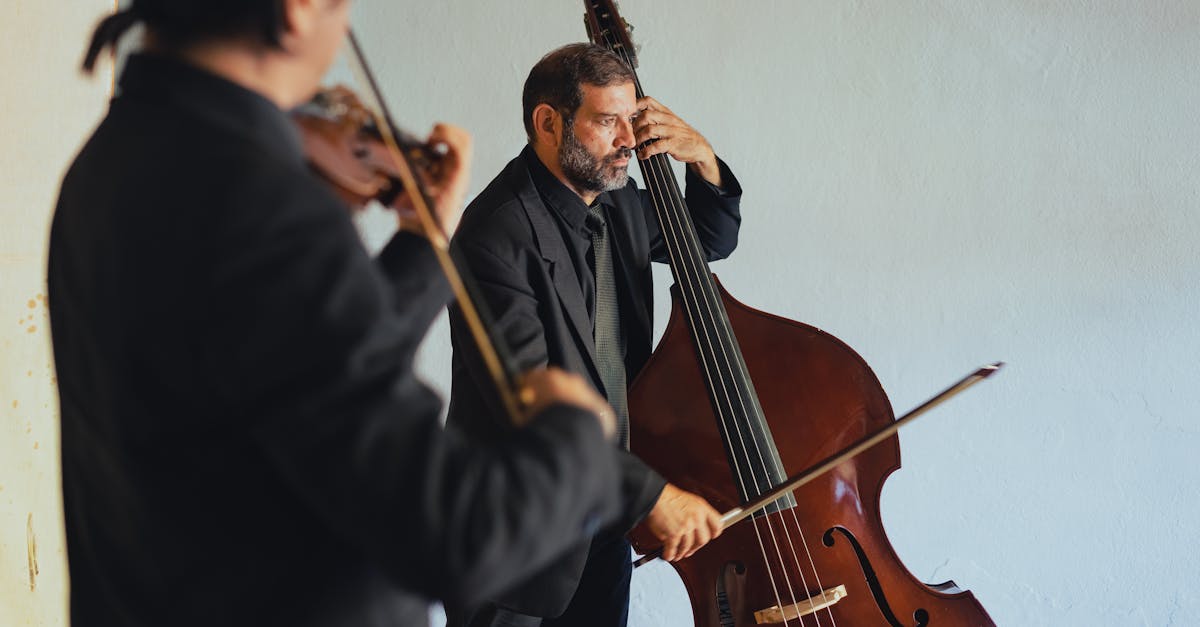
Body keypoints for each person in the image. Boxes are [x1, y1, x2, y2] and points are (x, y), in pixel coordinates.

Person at [50, 3, 629, 626]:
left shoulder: (114, 156)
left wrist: (420, 243)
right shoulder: (264, 207)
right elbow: (451, 535)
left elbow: (301, 381)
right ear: (298, 10)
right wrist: (576, 432)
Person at [445, 43, 743, 627]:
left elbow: (708, 240)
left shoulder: (620, 202)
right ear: (548, 123)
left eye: (631, 120)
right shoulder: (494, 238)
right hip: (519, 549)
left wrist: (702, 156)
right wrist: (655, 497)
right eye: (607, 122)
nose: (628, 140)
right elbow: (527, 405)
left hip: (605, 528)